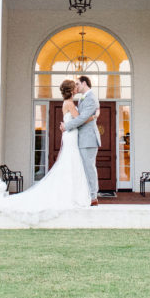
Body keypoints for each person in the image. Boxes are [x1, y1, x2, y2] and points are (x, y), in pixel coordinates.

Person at [0, 79, 92, 220]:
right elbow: (80, 119)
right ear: (72, 91)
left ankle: (69, 193)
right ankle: (70, 195)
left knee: (69, 162)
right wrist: (93, 117)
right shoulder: (70, 104)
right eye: (75, 88)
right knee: (71, 162)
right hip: (71, 136)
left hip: (69, 135)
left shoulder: (66, 103)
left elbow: (72, 121)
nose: (76, 89)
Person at [62, 75, 100, 206]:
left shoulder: (91, 99)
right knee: (82, 168)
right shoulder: (82, 99)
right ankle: (86, 195)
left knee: (89, 168)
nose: (76, 87)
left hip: (88, 139)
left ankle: (93, 197)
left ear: (84, 83)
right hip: (80, 138)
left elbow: (82, 118)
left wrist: (66, 126)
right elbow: (80, 117)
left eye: (77, 84)